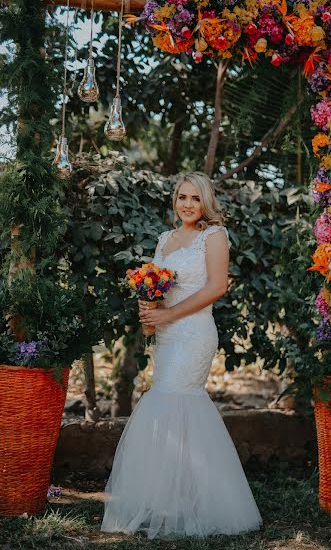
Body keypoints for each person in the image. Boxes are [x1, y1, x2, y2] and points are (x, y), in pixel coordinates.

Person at [101, 172, 262, 539]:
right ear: (174, 201)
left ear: (206, 202)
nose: (187, 204)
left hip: (193, 333)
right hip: (167, 332)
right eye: (181, 197)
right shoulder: (165, 239)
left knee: (177, 401)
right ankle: (171, 500)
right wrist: (151, 317)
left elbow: (217, 286)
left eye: (195, 198)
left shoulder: (214, 236)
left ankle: (201, 504)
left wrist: (170, 315)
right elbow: (158, 289)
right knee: (167, 405)